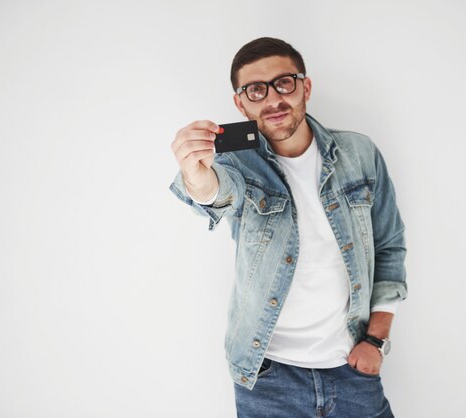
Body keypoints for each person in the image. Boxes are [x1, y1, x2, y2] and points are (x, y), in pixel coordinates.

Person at [169, 37, 407, 418]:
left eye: (284, 83)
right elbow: (216, 192)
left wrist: (375, 341)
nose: (273, 99)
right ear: (240, 104)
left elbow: (390, 248)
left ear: (305, 87)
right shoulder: (238, 163)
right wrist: (194, 175)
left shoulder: (360, 155)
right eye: (255, 90)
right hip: (268, 380)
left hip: (352, 370)